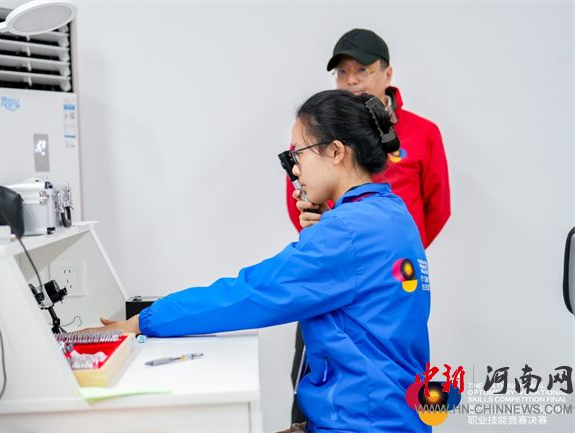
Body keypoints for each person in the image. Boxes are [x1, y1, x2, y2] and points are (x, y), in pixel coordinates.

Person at [92, 90, 431, 433]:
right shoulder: (392, 214)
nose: (295, 169)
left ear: (335, 151)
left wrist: (140, 322)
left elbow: (251, 294)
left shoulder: (345, 232)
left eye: (298, 153)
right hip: (394, 417)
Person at [288, 28, 451, 424]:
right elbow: (299, 200)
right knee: (314, 380)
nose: (352, 80)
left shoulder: (423, 133)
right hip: (328, 276)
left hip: (390, 285)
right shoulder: (316, 134)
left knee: (390, 377)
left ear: (388, 73)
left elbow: (437, 207)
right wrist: (323, 234)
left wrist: (386, 260)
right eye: (342, 72)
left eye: (362, 70)